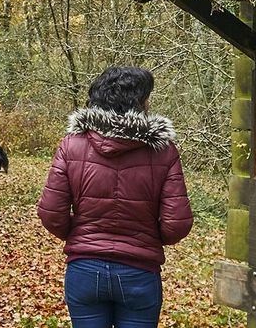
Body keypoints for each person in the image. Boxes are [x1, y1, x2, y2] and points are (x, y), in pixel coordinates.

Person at [38, 66, 193, 327]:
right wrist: (146, 237)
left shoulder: (71, 144)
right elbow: (176, 224)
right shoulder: (163, 151)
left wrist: (82, 234)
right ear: (139, 103)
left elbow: (51, 212)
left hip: (85, 270)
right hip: (139, 273)